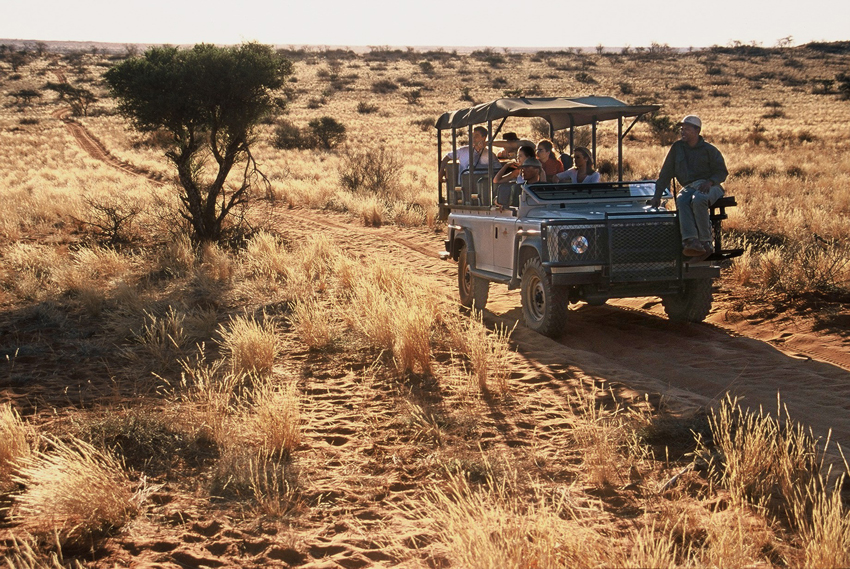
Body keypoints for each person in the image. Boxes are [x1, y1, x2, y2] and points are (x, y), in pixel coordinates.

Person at [650, 115, 728, 258]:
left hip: (711, 186)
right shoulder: (677, 148)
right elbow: (666, 173)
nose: (683, 132)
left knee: (699, 199)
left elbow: (722, 172)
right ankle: (691, 241)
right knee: (682, 199)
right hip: (690, 186)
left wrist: (709, 182)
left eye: (686, 129)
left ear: (697, 130)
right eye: (682, 129)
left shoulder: (709, 150)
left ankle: (706, 242)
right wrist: (657, 195)